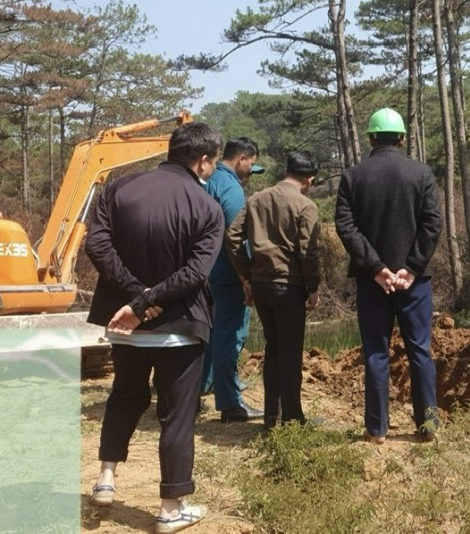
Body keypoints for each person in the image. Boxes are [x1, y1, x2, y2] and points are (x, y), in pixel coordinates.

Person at [85, 121, 225, 534]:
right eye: (213, 163)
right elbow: (197, 272)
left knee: (124, 396)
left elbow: (97, 245)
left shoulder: (118, 188)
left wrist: (133, 298)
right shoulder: (207, 208)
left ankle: (106, 479)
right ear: (202, 161)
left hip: (126, 325)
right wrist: (146, 300)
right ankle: (170, 509)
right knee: (177, 415)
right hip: (180, 326)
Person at [336, 107, 443, 445]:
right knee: (420, 352)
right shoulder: (421, 174)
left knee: (376, 354)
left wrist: (377, 268)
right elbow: (432, 225)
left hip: (372, 283)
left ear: (370, 137)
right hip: (415, 283)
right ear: (401, 138)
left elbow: (346, 227)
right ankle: (426, 428)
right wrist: (410, 268)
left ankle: (377, 430)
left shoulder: (353, 177)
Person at [226, 150, 321, 429]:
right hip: (288, 287)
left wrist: (246, 275)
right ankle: (292, 420)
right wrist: (312, 287)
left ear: (286, 171)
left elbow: (232, 237)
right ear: (310, 179)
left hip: (261, 285)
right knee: (290, 354)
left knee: (273, 349)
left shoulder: (256, 199)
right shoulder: (306, 206)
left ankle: (270, 417)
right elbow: (307, 251)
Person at [198, 137, 265, 423]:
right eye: (251, 165)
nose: (251, 172)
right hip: (228, 273)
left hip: (208, 271)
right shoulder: (231, 189)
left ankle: (200, 388)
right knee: (230, 335)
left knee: (214, 333)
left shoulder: (209, 181)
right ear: (241, 159)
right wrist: (246, 277)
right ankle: (230, 404)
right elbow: (235, 238)